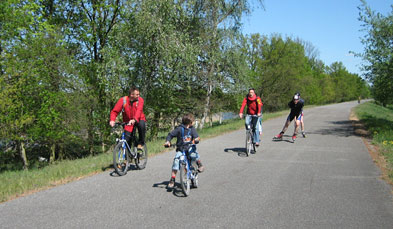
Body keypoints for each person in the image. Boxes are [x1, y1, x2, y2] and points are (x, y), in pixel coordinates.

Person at [164, 113, 204, 189]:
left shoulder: (192, 129)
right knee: (176, 160)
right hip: (181, 149)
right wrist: (168, 141)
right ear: (190, 122)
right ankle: (172, 179)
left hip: (189, 147)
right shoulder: (179, 129)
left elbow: (197, 137)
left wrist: (196, 140)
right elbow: (170, 135)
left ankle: (199, 164)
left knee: (193, 155)